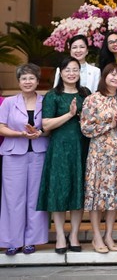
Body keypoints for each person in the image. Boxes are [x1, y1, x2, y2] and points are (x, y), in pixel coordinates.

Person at [38, 57, 89, 254]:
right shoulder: (53, 95)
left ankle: (74, 234)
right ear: (61, 72)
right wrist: (69, 114)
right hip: (59, 148)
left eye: (75, 69)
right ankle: (60, 235)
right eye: (67, 69)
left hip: (82, 147)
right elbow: (46, 125)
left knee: (78, 191)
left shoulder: (86, 93)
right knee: (58, 192)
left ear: (79, 72)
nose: (71, 73)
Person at [80, 63, 117, 253]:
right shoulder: (93, 99)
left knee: (114, 196)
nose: (116, 78)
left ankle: (109, 234)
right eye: (112, 75)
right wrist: (110, 122)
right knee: (98, 196)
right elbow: (85, 128)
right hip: (99, 154)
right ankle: (96, 236)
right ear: (104, 76)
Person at [0, 64, 49, 256]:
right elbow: (0, 126)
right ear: (18, 82)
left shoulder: (45, 101)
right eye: (24, 79)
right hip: (13, 154)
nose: (27, 82)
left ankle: (32, 240)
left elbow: (49, 127)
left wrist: (40, 133)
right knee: (13, 199)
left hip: (39, 153)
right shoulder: (9, 102)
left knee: (35, 197)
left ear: (37, 81)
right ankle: (12, 241)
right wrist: (19, 134)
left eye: (31, 78)